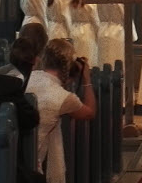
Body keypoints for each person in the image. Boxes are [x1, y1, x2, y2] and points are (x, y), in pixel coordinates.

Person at [25, 39, 96, 183]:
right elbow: (89, 112)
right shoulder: (63, 97)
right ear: (69, 67)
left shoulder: (24, 77)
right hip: (31, 163)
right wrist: (86, 79)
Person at [97, 0, 135, 68]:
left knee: (104, 62)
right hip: (117, 32)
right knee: (117, 63)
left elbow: (98, 14)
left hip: (102, 31)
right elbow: (126, 16)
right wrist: (132, 35)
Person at [69, 0, 99, 65]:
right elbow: (95, 19)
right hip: (87, 33)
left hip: (74, 31)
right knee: (87, 61)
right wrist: (98, 33)